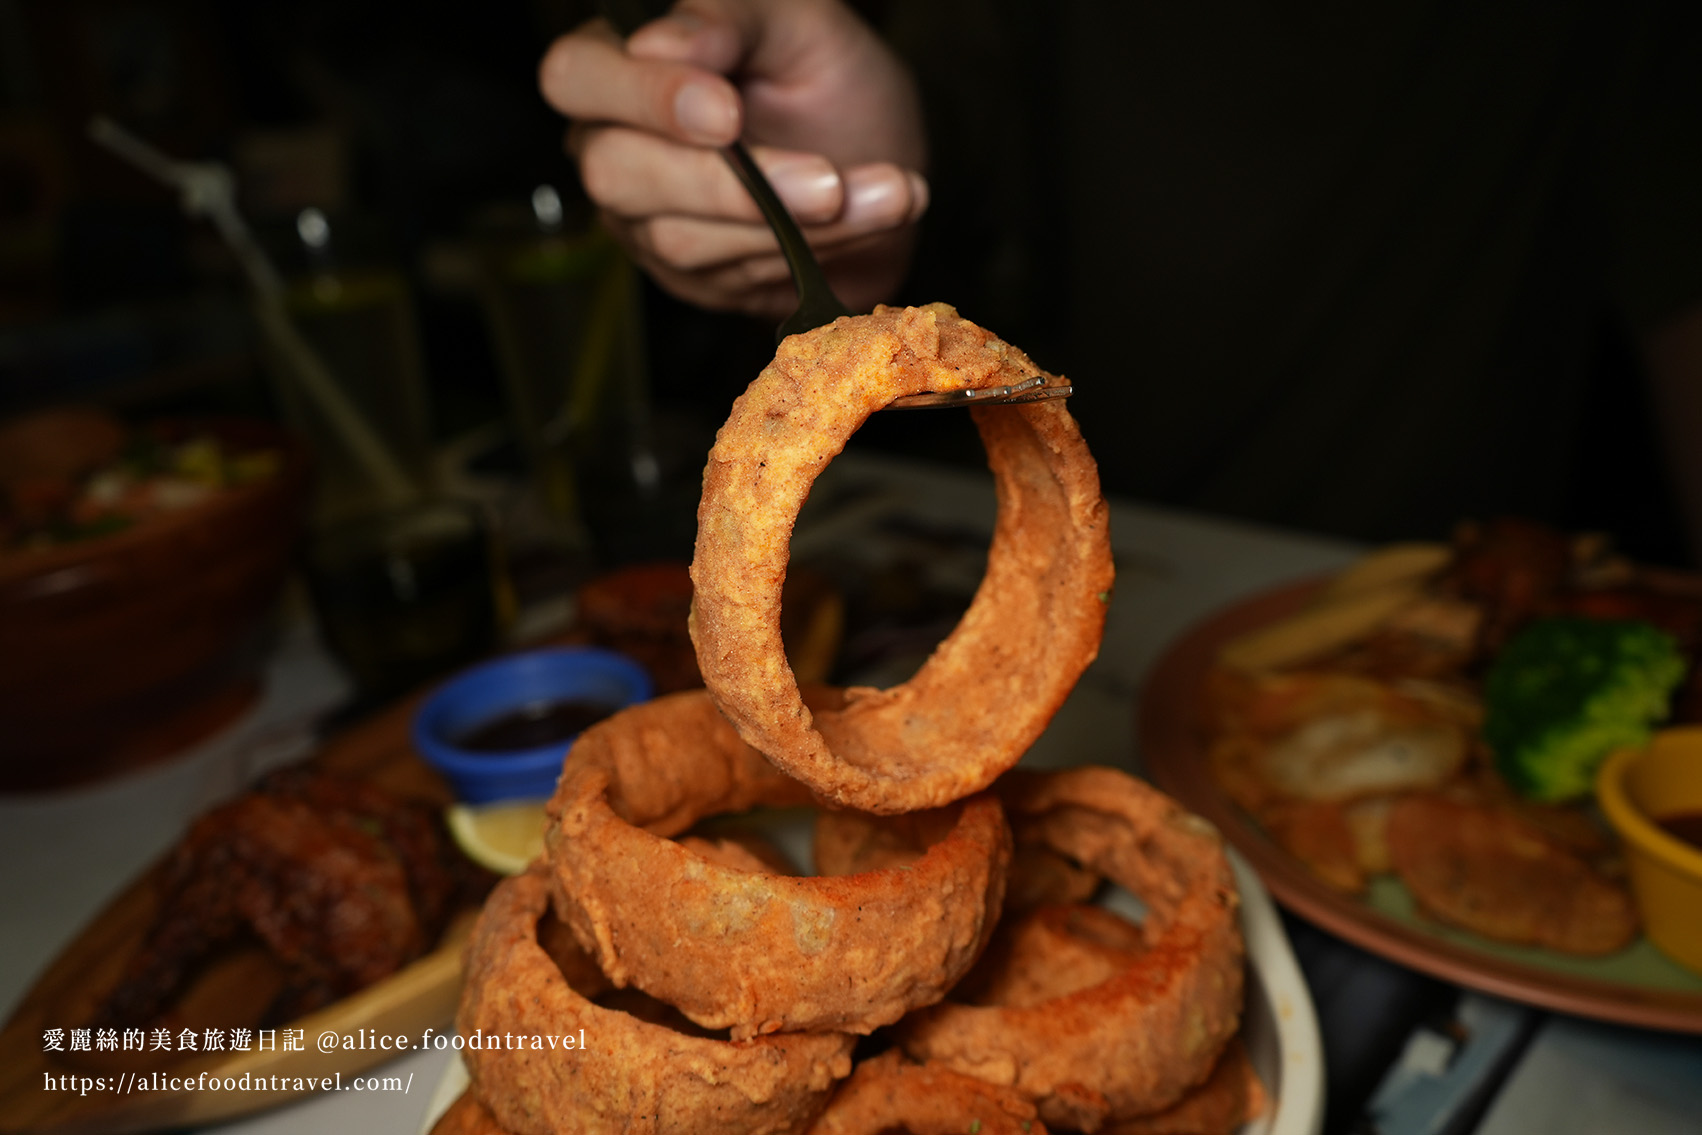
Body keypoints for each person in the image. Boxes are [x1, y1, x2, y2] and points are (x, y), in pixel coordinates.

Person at [538, 0, 1702, 557]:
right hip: (1099, 586)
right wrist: (848, 187)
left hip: (1435, 614)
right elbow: (946, 139)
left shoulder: (1604, 36)